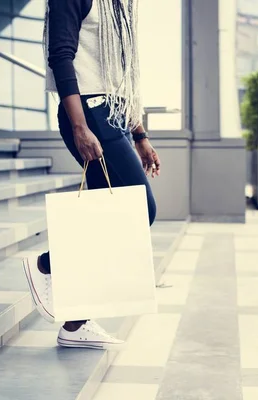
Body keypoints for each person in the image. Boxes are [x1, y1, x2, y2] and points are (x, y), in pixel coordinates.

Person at [23, 0, 160, 349]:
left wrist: (140, 135)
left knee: (110, 213)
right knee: (141, 209)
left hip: (112, 113)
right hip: (88, 114)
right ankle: (47, 264)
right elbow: (61, 56)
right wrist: (80, 127)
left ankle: (75, 323)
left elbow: (118, 73)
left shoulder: (118, 5)